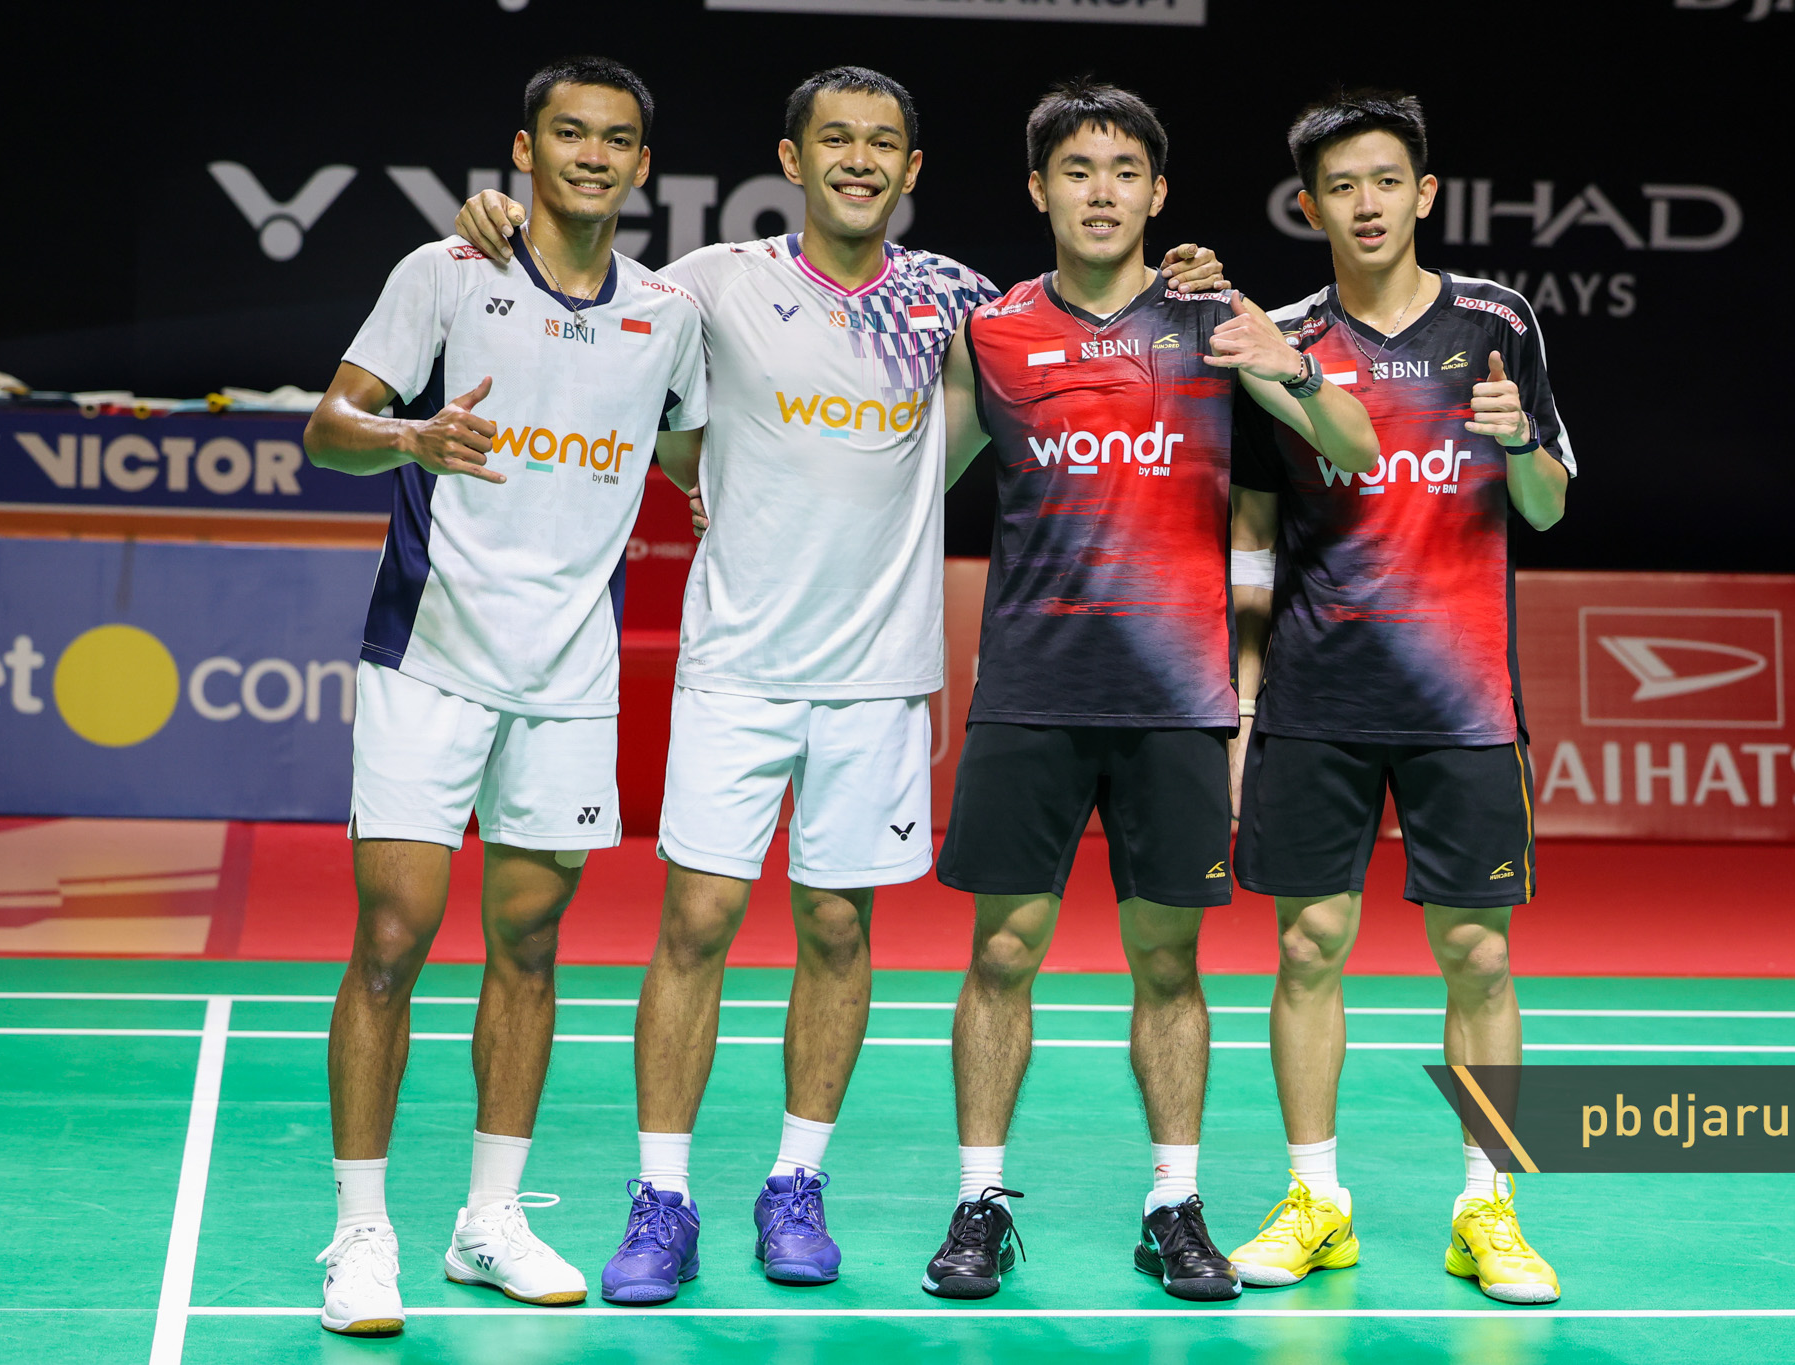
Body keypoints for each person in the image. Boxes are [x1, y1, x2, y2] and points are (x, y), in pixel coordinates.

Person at [448, 66, 1230, 1304]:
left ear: (911, 170)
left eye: (881, 144)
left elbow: (1079, 327)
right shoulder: (710, 284)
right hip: (737, 666)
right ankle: (662, 1197)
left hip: (875, 676)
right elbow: (596, 314)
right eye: (834, 140)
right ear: (792, 158)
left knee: (834, 929)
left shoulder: (955, 302)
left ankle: (795, 1182)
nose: (857, 160)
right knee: (694, 926)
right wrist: (500, 225)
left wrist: (1192, 277)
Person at [921, 80, 1378, 1302]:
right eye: (1077, 169)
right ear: (1038, 189)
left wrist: (1281, 356)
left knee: (1167, 962)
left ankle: (1173, 1203)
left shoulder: (1212, 320)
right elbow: (908, 477)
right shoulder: (992, 331)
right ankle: (977, 1202)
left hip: (1175, 697)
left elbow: (1352, 446)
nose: (1101, 191)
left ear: (1157, 192)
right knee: (1001, 950)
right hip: (1030, 686)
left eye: (1124, 170)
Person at [298, 58, 705, 1336]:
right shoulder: (446, 275)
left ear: (643, 166)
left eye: (616, 139)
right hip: (428, 658)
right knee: (391, 942)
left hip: (569, 676)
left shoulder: (667, 315)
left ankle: (488, 1221)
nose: (591, 155)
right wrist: (409, 437)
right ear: (524, 151)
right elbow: (327, 429)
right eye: (567, 133)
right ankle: (360, 1233)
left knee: (529, 949)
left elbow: (697, 455)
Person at [1222, 89, 1574, 1305]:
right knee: (1305, 945)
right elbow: (1252, 535)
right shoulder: (1279, 339)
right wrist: (1243, 700)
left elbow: (1543, 510)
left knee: (1475, 952)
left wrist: (1518, 441)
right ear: (1308, 205)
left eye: (1385, 181)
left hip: (1462, 696)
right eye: (1340, 187)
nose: (1364, 205)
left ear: (1422, 193)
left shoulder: (1495, 320)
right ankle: (1315, 1199)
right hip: (1316, 690)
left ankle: (1488, 1207)